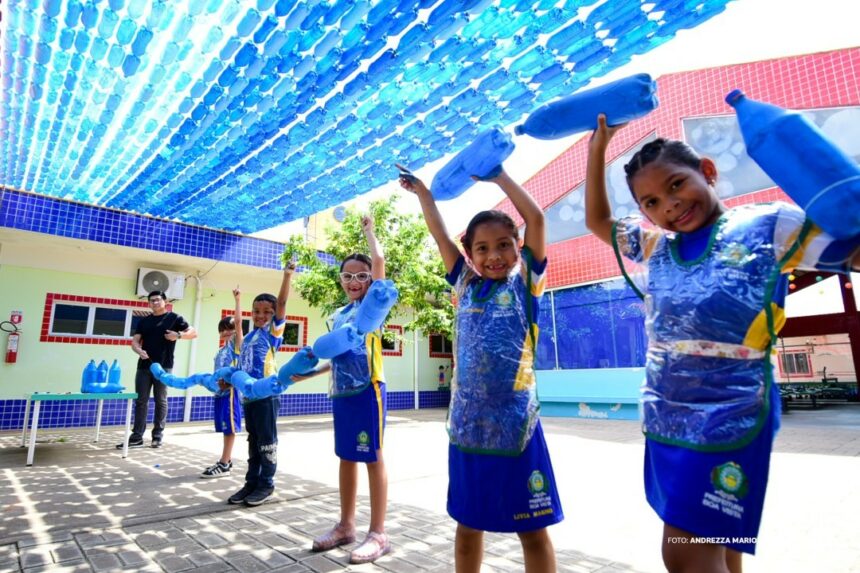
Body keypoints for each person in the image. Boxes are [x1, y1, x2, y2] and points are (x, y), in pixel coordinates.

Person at [584, 115, 860, 573]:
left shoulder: (769, 227)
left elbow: (851, 250)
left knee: (685, 552)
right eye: (651, 201)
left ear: (707, 172)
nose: (669, 206)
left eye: (677, 185)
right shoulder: (655, 247)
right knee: (723, 544)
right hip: (668, 418)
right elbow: (598, 219)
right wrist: (598, 148)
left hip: (732, 416)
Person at [400, 168, 563, 573]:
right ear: (469, 253)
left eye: (504, 246)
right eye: (483, 248)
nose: (494, 256)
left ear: (518, 247)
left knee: (534, 529)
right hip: (470, 428)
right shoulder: (465, 286)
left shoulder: (527, 285)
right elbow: (440, 235)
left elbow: (538, 219)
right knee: (468, 526)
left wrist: (501, 178)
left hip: (517, 428)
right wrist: (424, 195)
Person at [290, 215, 393, 565]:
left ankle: (378, 532)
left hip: (369, 391)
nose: (354, 281)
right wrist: (304, 375)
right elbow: (335, 359)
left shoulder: (371, 309)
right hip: (342, 394)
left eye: (361, 276)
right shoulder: (337, 316)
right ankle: (346, 526)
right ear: (340, 280)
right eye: (347, 275)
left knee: (373, 457)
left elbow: (379, 262)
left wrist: (369, 232)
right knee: (346, 457)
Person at [226, 264, 295, 507]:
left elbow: (283, 303)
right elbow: (237, 324)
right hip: (249, 398)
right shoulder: (249, 337)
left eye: (267, 312)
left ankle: (266, 483)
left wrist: (287, 276)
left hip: (267, 396)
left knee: (267, 440)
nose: (260, 315)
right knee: (253, 441)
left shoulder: (272, 333)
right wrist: (238, 300)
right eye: (256, 311)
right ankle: (251, 482)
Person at [118, 290, 197, 449]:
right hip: (144, 367)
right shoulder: (144, 321)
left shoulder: (174, 318)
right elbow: (135, 342)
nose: (154, 303)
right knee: (141, 401)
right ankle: (137, 437)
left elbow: (194, 333)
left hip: (164, 367)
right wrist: (138, 350)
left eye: (157, 300)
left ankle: (157, 436)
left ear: (165, 301)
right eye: (151, 300)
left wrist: (178, 335)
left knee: (161, 400)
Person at [202, 286, 244, 478]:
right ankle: (225, 460)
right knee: (224, 428)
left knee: (230, 429)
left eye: (229, 329)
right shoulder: (221, 351)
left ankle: (225, 462)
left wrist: (237, 300)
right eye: (222, 330)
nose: (226, 332)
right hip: (219, 394)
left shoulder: (236, 347)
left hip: (231, 394)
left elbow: (238, 323)